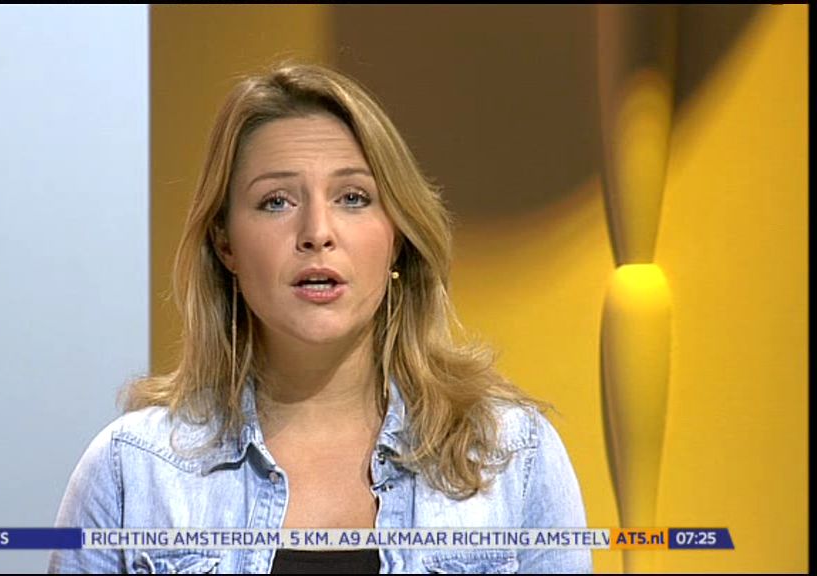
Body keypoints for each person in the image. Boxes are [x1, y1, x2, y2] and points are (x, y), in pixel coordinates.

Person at [49, 62, 590, 574]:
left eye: (353, 197)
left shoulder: (511, 458)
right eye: (276, 201)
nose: (317, 232)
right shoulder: (132, 469)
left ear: (397, 238)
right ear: (225, 243)